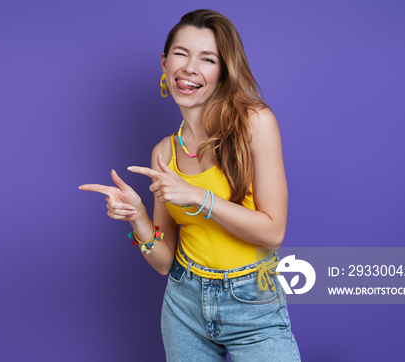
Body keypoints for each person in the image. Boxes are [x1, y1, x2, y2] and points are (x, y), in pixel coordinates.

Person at [79, 9, 300, 362]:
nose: (190, 68)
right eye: (181, 54)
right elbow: (164, 261)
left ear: (223, 72)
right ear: (165, 63)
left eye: (207, 59)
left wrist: (198, 196)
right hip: (185, 303)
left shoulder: (255, 124)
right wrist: (137, 218)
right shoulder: (164, 153)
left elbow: (274, 232)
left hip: (253, 303)